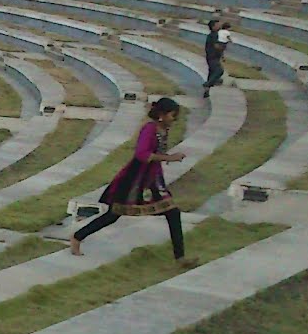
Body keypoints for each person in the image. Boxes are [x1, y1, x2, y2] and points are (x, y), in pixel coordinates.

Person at [70, 98, 190, 263]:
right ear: (162, 115)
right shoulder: (149, 129)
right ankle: (77, 237)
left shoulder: (164, 129)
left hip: (153, 178)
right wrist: (170, 157)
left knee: (173, 212)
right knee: (114, 214)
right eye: (172, 115)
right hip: (136, 178)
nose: (174, 119)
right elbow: (142, 155)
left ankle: (180, 257)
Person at [202, 18, 232, 94]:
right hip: (212, 57)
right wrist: (224, 47)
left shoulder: (215, 34)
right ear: (213, 27)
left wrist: (222, 55)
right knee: (219, 71)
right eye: (217, 24)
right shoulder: (213, 35)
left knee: (212, 73)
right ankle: (207, 84)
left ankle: (207, 91)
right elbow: (216, 46)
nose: (219, 25)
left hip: (213, 57)